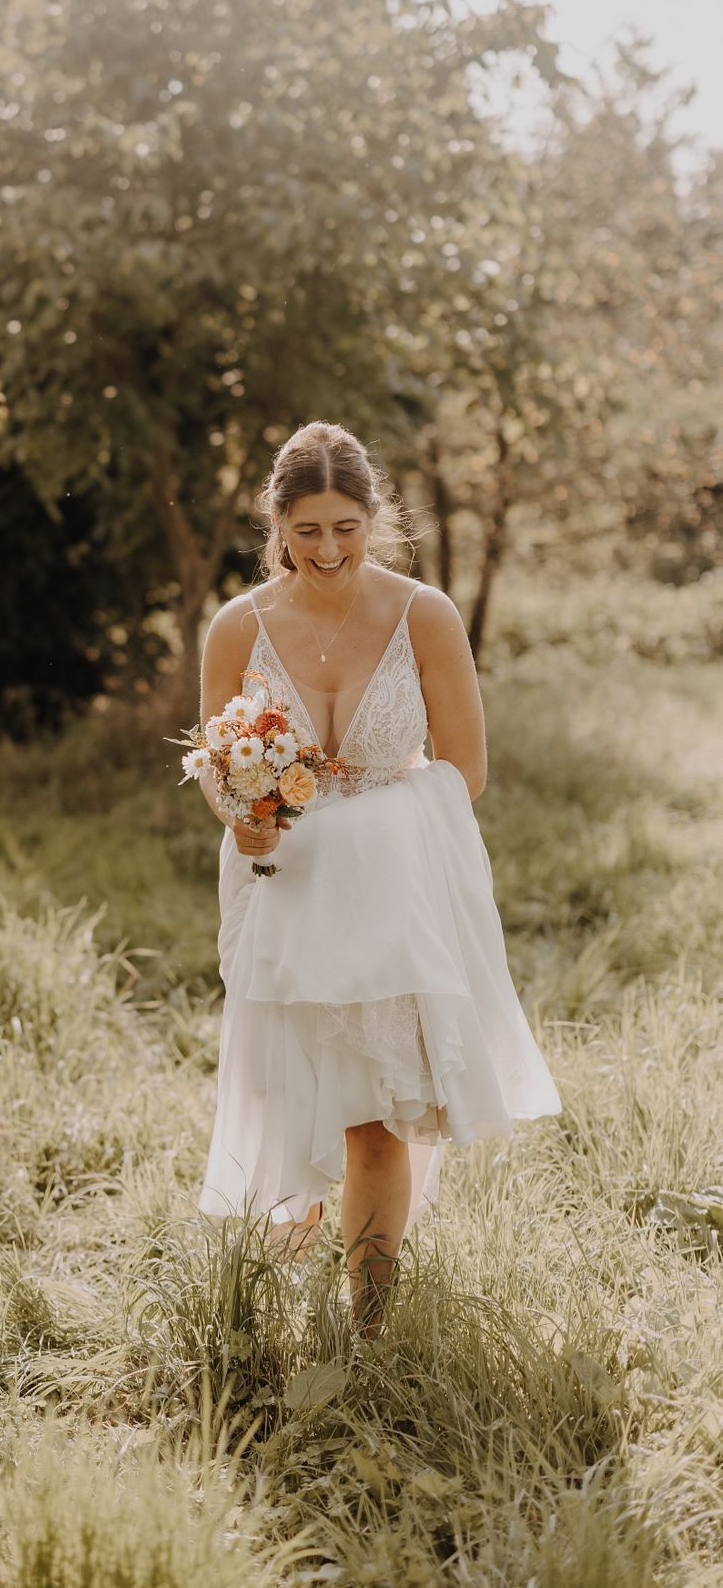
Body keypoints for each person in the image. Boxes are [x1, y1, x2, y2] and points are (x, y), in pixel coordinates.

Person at [196, 422, 560, 1329]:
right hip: (281, 884)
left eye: (346, 526)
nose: (328, 549)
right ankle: (283, 1278)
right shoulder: (235, 628)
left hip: (388, 891)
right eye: (308, 528)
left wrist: (366, 803)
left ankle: (370, 1325)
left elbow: (465, 768)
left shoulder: (423, 613)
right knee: (296, 1097)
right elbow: (217, 766)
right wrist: (249, 813)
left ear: (375, 517)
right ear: (277, 522)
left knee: (374, 1114)